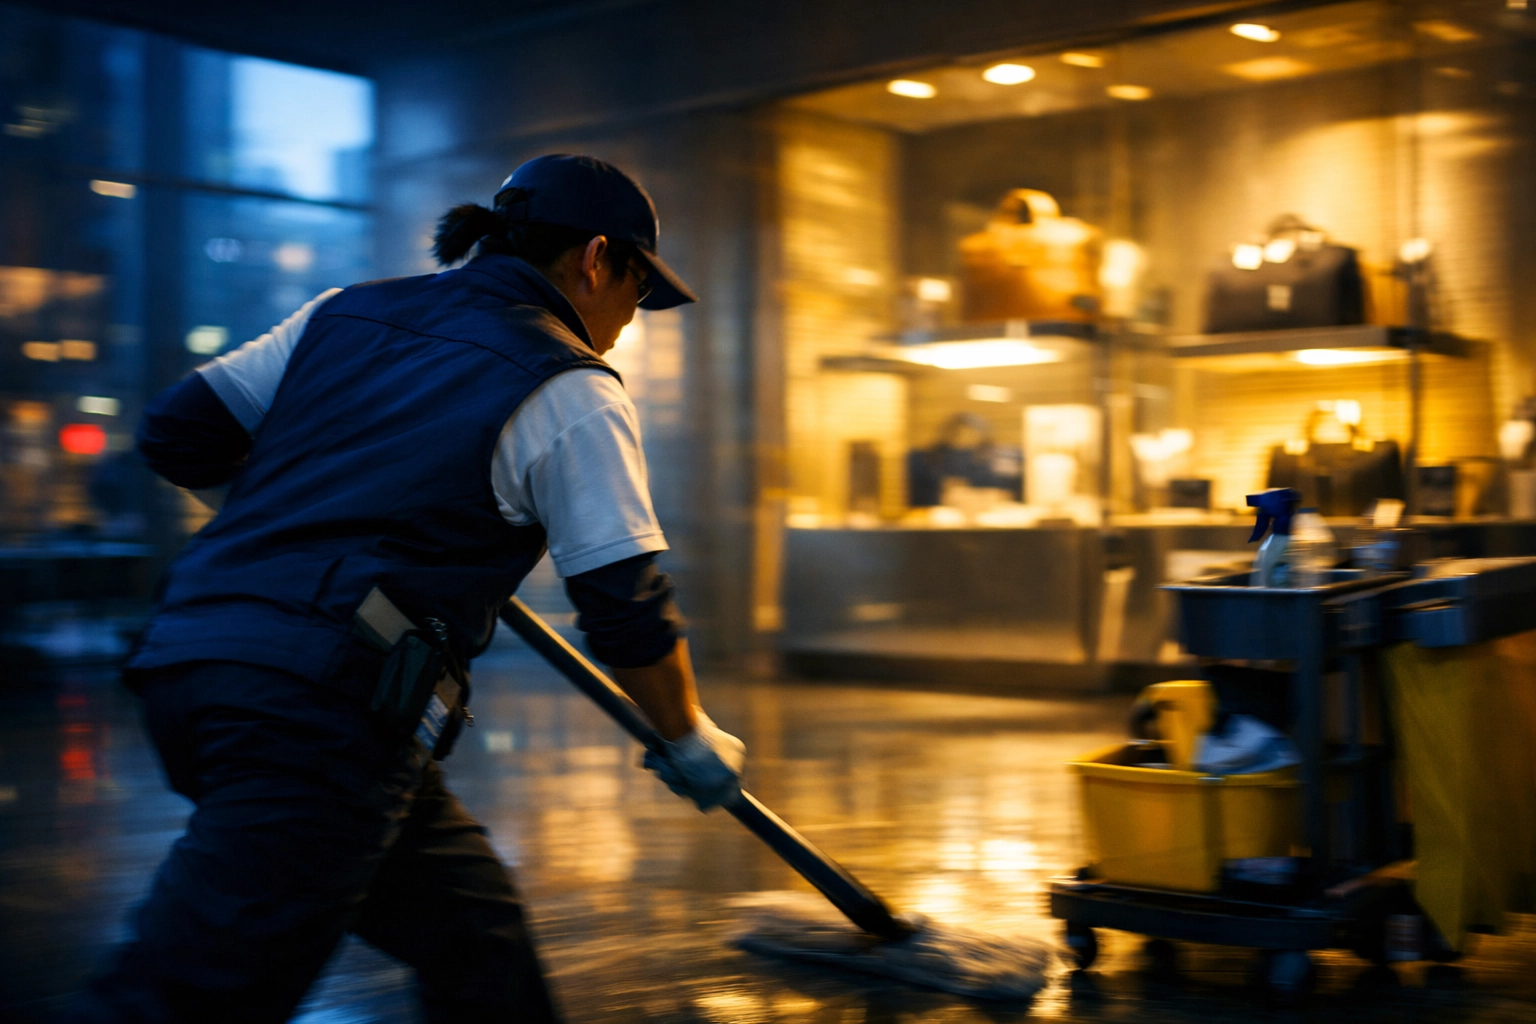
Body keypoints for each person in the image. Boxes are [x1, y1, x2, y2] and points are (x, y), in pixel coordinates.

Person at [69, 154, 746, 1023]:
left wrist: (305, 524)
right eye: (635, 291)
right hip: (313, 712)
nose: (625, 323)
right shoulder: (570, 384)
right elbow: (624, 603)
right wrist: (686, 736)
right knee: (182, 998)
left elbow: (178, 433)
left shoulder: (345, 313)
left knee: (478, 944)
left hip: (201, 663)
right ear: (595, 257)